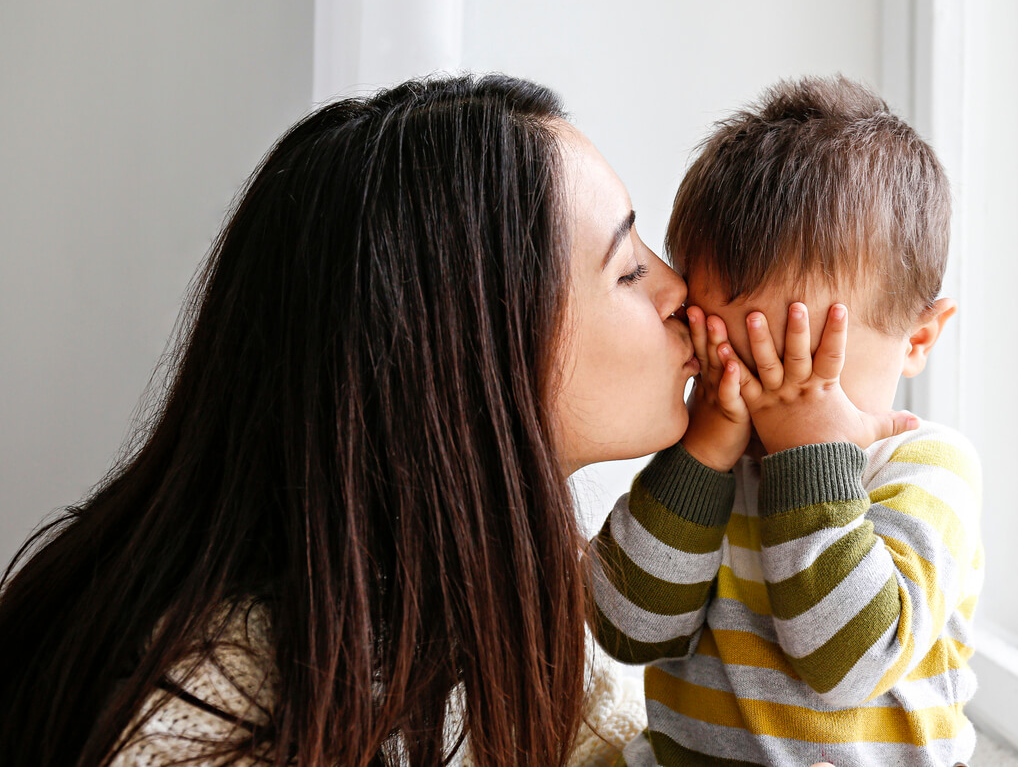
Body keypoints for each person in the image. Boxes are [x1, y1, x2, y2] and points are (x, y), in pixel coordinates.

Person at [0, 74, 699, 767]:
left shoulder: (483, 609)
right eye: (629, 270)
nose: (680, 293)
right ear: (463, 345)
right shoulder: (196, 716)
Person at [589, 77, 984, 765]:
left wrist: (811, 457)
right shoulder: (711, 462)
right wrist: (705, 450)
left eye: (800, 366)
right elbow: (630, 630)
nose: (766, 399)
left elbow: (851, 661)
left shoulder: (930, 469)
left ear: (918, 340)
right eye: (733, 354)